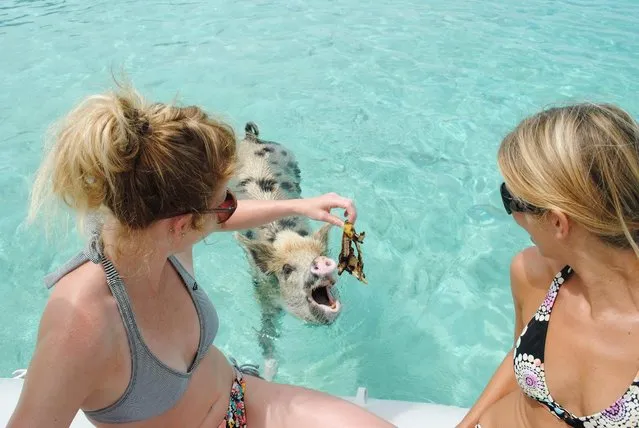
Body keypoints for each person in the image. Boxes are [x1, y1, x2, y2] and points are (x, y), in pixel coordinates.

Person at [8, 85, 395, 428]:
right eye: (224, 203)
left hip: (242, 398)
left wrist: (301, 205)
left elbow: (217, 221)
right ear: (180, 224)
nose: (231, 210)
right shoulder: (81, 325)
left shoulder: (153, 232)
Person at [457, 103, 639, 428]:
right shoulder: (533, 273)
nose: (512, 215)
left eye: (512, 199)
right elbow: (521, 353)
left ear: (557, 222)